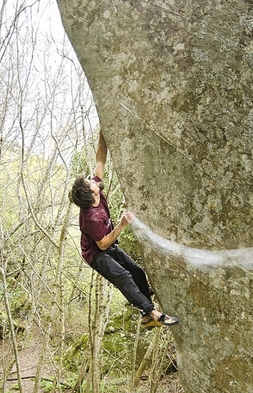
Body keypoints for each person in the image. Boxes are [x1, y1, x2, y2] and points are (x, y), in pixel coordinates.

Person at [70, 131, 179, 329]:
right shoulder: (91, 218)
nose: (92, 179)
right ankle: (153, 313)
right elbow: (102, 244)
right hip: (96, 254)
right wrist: (121, 225)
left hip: (107, 245)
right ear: (90, 193)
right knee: (123, 276)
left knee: (137, 272)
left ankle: (146, 318)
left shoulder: (97, 190)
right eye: (90, 182)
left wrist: (104, 131)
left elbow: (100, 159)